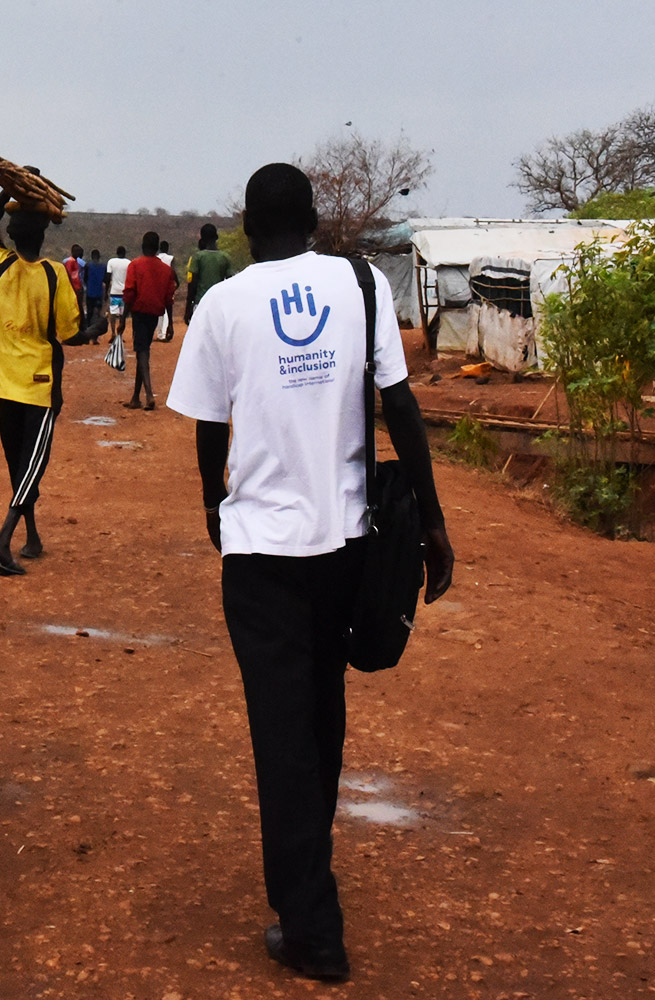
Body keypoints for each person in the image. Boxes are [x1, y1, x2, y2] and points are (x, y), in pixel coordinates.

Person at [166, 163, 454, 983]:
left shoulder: (223, 305)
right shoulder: (361, 285)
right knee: (321, 718)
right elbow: (400, 409)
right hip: (346, 545)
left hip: (261, 555)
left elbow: (209, 430)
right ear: (318, 218)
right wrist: (432, 519)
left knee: (282, 734)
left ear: (247, 227)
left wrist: (211, 505)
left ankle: (312, 928)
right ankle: (304, 885)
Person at [0, 185, 80, 575]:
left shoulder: (0, 264)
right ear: (43, 234)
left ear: (13, 233)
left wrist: (5, 190)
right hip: (39, 386)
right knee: (32, 466)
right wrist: (94, 327)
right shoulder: (54, 274)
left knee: (17, 465)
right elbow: (67, 333)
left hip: (5, 382)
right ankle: (4, 540)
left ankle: (32, 536)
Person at [121, 231, 175, 410]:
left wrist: (123, 318)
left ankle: (149, 394)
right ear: (158, 247)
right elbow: (169, 297)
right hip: (155, 313)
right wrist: (171, 324)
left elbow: (129, 292)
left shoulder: (135, 265)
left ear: (143, 245)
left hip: (139, 312)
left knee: (142, 351)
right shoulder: (166, 270)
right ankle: (136, 397)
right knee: (142, 350)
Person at [184, 222, 233, 323]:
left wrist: (188, 308)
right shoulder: (225, 257)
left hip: (201, 303)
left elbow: (193, 284)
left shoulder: (198, 257)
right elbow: (230, 282)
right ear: (216, 237)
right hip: (219, 304)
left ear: (202, 238)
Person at [105, 245, 132, 343]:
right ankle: (120, 334)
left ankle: (112, 333)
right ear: (125, 253)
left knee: (112, 314)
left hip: (114, 292)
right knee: (122, 315)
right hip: (124, 292)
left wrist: (106, 292)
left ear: (116, 252)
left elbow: (108, 278)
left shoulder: (111, 262)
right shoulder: (129, 263)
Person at [82, 249, 108, 340]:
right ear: (99, 256)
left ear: (92, 256)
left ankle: (88, 334)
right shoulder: (104, 266)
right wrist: (106, 293)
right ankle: (95, 337)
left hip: (90, 293)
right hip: (99, 293)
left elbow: (85, 278)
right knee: (97, 314)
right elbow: (106, 280)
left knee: (89, 314)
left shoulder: (88, 266)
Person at [155, 240, 178, 341]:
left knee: (157, 311)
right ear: (167, 248)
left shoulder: (155, 258)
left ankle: (159, 333)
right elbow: (173, 272)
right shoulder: (171, 258)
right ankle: (164, 333)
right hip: (168, 286)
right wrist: (176, 283)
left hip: (156, 286)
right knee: (167, 310)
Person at [63, 243, 85, 318]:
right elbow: (69, 275)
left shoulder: (75, 261)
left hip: (77, 287)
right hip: (73, 288)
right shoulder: (70, 261)